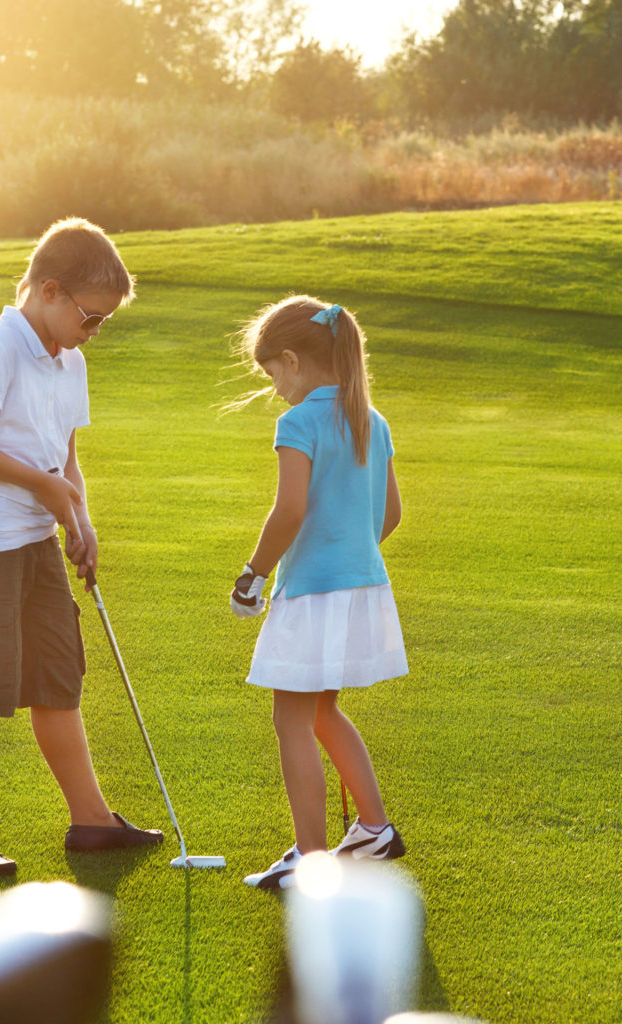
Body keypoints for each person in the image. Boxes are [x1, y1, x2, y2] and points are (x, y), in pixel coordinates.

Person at [0, 217, 163, 875]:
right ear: (49, 291)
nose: (94, 332)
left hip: (33, 537)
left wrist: (78, 519)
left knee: (57, 678)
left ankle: (90, 821)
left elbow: (66, 455)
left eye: (103, 322)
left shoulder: (70, 360)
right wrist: (45, 488)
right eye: (90, 317)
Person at [229, 296, 409, 891]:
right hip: (362, 586)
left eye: (271, 373)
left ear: (291, 360)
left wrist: (253, 574)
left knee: (292, 720)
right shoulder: (371, 420)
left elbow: (290, 511)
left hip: (311, 594)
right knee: (322, 711)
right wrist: (351, 548)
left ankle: (310, 862)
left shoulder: (300, 421)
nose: (274, 387)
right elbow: (391, 513)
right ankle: (374, 830)